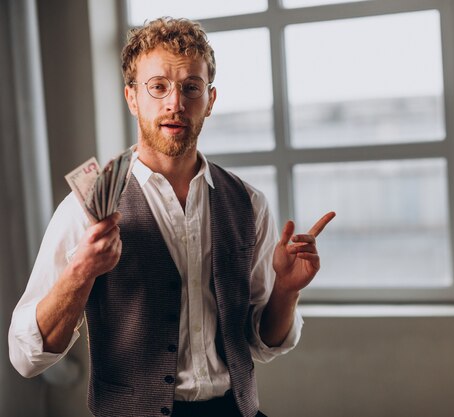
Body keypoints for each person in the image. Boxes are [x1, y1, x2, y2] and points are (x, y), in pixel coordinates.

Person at [8, 17, 334, 417]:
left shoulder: (249, 204)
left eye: (190, 88)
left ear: (210, 100)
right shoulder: (86, 206)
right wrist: (81, 272)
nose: (175, 103)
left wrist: (286, 289)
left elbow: (261, 343)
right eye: (158, 86)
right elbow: (26, 356)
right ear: (132, 98)